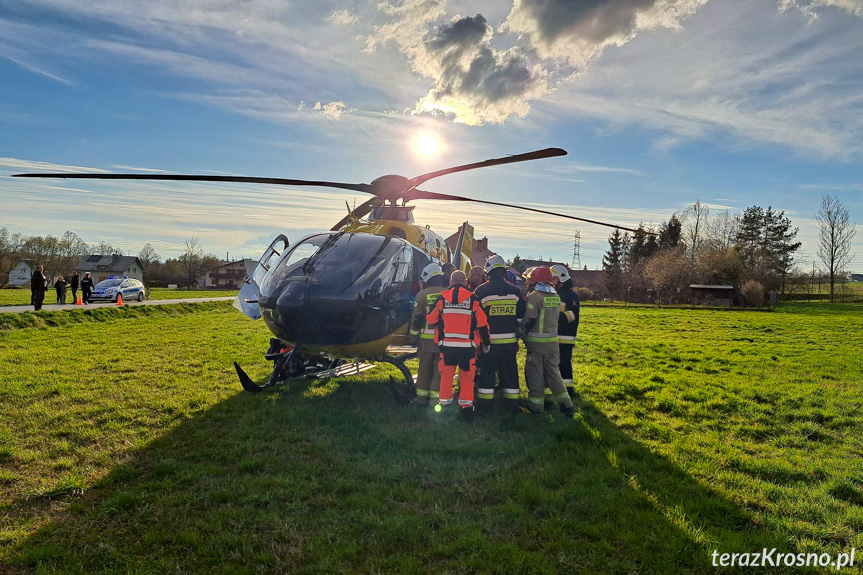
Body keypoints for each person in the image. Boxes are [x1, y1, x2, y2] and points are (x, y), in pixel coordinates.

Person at [426, 270, 490, 422]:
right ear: (466, 283)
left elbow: (431, 319)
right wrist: (486, 343)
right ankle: (466, 412)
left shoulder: (442, 298)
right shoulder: (473, 299)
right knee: (467, 380)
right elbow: (482, 323)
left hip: (447, 347)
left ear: (450, 282)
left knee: (446, 378)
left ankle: (444, 408)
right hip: (467, 348)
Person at [518, 266, 576, 417]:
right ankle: (567, 405)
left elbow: (529, 319)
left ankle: (535, 407)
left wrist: (518, 333)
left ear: (535, 279)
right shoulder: (555, 296)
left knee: (535, 374)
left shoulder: (535, 296)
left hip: (537, 345)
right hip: (552, 344)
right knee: (554, 374)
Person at [474, 255, 526, 414]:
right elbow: (520, 317)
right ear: (504, 271)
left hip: (488, 342)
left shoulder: (481, 291)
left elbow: (476, 317)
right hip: (509, 342)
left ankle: (484, 408)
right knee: (510, 374)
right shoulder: (515, 291)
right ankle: (511, 407)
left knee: (487, 374)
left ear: (488, 271)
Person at [407, 263, 447, 406]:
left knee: (424, 370)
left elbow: (416, 319)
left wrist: (412, 339)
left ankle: (422, 400)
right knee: (439, 372)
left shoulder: (422, 295)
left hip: (426, 342)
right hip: (444, 341)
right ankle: (435, 402)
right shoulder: (447, 293)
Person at [550, 264, 580, 398]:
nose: (552, 282)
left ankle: (569, 390)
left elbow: (573, 315)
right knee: (556, 363)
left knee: (565, 363)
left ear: (561, 279)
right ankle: (560, 389)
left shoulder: (570, 295)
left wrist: (554, 316)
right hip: (556, 335)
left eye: (554, 279)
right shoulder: (556, 293)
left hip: (565, 336)